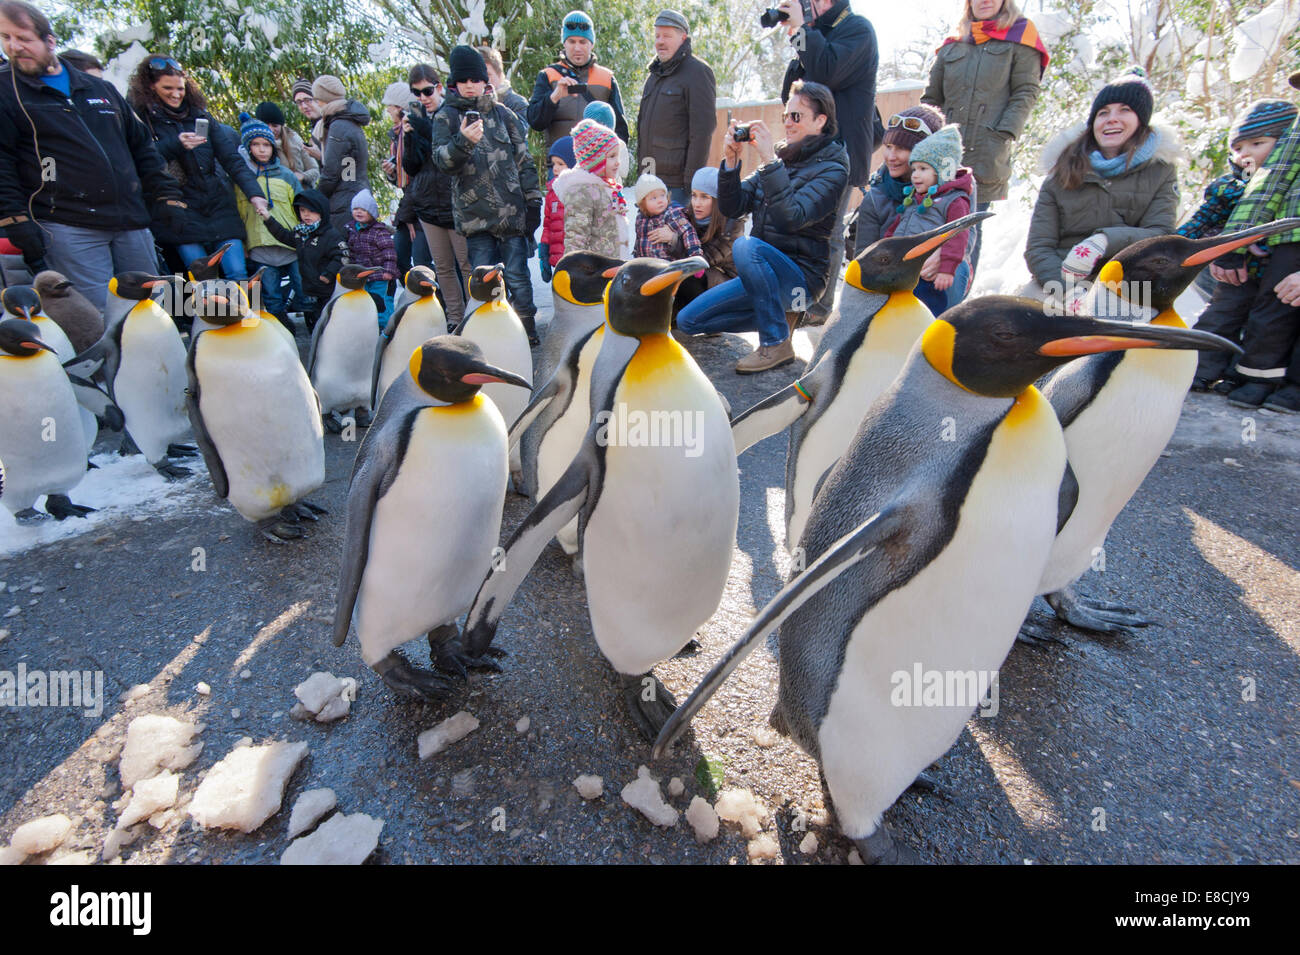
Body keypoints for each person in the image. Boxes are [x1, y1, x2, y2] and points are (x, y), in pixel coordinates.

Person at [0, 1, 185, 310]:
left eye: (23, 38)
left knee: (152, 310)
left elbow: (141, 147)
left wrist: (166, 194)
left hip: (129, 218)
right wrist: (14, 218)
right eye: (6, 38)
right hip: (67, 224)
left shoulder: (100, 89)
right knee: (101, 317)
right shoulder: (6, 92)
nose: (14, 47)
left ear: (50, 41)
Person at [676, 80, 849, 374]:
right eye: (786, 116)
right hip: (762, 273)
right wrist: (730, 163)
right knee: (688, 321)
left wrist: (770, 160)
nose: (788, 123)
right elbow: (734, 206)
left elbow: (791, 217)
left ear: (821, 121)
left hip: (802, 279)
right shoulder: (782, 159)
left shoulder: (833, 168)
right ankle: (782, 317)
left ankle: (776, 341)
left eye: (796, 116)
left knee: (746, 246)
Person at [1023, 71, 1180, 304]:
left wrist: (1104, 240)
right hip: (1059, 279)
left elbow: (1161, 235)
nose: (1111, 119)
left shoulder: (1160, 171)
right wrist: (1068, 290)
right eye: (1103, 113)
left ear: (1141, 120)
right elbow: (1039, 247)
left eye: (1124, 110)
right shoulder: (1062, 171)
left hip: (1126, 283)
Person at [922, 0, 1047, 272]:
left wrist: (1002, 133)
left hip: (985, 152)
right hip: (941, 153)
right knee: (930, 222)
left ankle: (958, 300)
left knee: (966, 232)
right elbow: (931, 98)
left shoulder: (1021, 38)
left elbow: (1026, 91)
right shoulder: (952, 43)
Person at [1194, 95, 1300, 410]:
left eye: (1256, 144)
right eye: (1238, 148)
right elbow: (1265, 191)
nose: (1245, 155)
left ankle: (1276, 380)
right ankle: (1243, 372)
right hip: (1284, 241)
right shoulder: (1235, 183)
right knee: (1266, 308)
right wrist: (1229, 246)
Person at [777, 0, 879, 325]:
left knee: (827, 233)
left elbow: (826, 72)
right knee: (804, 230)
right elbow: (792, 94)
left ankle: (819, 309)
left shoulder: (858, 29)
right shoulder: (817, 34)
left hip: (841, 152)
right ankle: (801, 300)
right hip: (811, 152)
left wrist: (801, 31)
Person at [431, 45, 542, 343]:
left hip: (512, 216)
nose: (470, 85)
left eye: (475, 78)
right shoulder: (446, 118)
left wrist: (533, 202)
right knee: (482, 279)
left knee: (518, 276)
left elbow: (524, 160)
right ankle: (491, 334)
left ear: (485, 80)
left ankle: (526, 330)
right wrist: (463, 142)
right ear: (455, 82)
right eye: (463, 79)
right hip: (475, 220)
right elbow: (442, 162)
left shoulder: (505, 115)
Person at [127, 54, 267, 280]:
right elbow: (137, 159)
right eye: (168, 88)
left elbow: (231, 159)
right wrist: (175, 145)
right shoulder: (139, 120)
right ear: (150, 87)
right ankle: (213, 315)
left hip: (217, 202)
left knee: (238, 272)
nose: (176, 94)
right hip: (178, 209)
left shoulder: (200, 115)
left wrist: (255, 194)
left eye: (180, 88)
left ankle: (244, 316)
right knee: (203, 277)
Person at [405, 63, 472, 327]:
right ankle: (455, 318)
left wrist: (424, 129)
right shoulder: (417, 118)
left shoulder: (453, 113)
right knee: (442, 267)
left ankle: (473, 315)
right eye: (417, 93)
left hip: (456, 204)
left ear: (440, 87)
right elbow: (411, 167)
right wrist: (411, 139)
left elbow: (455, 153)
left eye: (428, 91)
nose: (423, 97)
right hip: (427, 205)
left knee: (466, 266)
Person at [881, 124, 974, 315]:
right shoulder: (915, 198)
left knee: (926, 307)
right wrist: (884, 247)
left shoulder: (954, 201)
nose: (915, 175)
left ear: (942, 171)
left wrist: (947, 269)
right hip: (904, 267)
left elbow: (958, 235)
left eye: (923, 169)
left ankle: (926, 334)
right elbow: (898, 225)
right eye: (914, 169)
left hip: (928, 272)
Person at [636, 10, 716, 207]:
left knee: (672, 238)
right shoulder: (654, 75)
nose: (660, 41)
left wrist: (691, 185)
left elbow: (702, 132)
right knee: (647, 238)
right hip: (649, 181)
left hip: (677, 187)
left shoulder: (697, 72)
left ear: (683, 37)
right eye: (657, 36)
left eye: (667, 36)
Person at [234, 113, 304, 323]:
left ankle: (312, 329)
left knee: (304, 290)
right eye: (256, 144)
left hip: (291, 244)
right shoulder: (242, 181)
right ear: (248, 147)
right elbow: (238, 212)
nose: (262, 149)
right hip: (260, 246)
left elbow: (302, 206)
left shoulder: (286, 175)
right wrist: (245, 244)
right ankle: (283, 332)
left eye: (267, 144)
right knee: (272, 297)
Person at [526, 11, 630, 149]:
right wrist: (554, 97)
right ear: (564, 43)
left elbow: (620, 130)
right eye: (571, 41)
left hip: (596, 164)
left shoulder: (607, 78)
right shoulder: (548, 75)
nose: (577, 48)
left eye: (582, 42)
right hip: (560, 164)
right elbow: (535, 122)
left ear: (591, 44)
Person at [855, 105, 946, 252]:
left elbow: (963, 249)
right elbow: (863, 260)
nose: (891, 157)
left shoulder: (954, 190)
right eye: (889, 146)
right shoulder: (876, 197)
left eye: (902, 148)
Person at [257, 188, 349, 332]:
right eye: (302, 210)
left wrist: (328, 275)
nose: (306, 214)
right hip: (309, 291)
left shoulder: (330, 235)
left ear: (322, 212)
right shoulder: (301, 233)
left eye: (312, 211)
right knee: (315, 330)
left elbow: (342, 256)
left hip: (327, 292)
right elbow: (283, 236)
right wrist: (268, 218)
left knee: (329, 328)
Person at [378, 80, 432, 280]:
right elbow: (404, 178)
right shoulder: (395, 135)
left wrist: (409, 216)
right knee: (399, 260)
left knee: (421, 263)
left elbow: (418, 175)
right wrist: (392, 173)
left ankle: (437, 301)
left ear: (399, 108)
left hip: (420, 206)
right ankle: (418, 298)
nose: (388, 111)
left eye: (390, 107)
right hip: (408, 205)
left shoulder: (412, 131)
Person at [551, 119, 627, 261]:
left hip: (611, 266)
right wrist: (574, 272)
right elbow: (576, 237)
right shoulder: (581, 192)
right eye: (611, 156)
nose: (618, 161)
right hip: (594, 272)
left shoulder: (606, 187)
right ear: (594, 160)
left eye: (617, 155)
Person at [672, 165, 744, 312]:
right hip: (707, 278)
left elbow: (702, 260)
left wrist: (674, 240)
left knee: (689, 277)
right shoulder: (687, 217)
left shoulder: (732, 224)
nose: (697, 203)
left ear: (718, 200)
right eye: (694, 195)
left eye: (705, 197)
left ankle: (709, 319)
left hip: (726, 285)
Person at [310, 75, 373, 233]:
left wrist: (316, 199)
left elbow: (332, 172)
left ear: (323, 99)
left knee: (345, 253)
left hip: (344, 202)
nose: (315, 104)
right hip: (353, 196)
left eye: (316, 99)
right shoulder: (349, 122)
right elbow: (347, 166)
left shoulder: (339, 126)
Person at [346, 189, 398, 327]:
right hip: (362, 276)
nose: (358, 212)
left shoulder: (379, 232)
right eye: (355, 209)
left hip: (380, 276)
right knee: (365, 303)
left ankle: (386, 328)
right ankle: (369, 327)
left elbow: (389, 253)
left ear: (372, 212)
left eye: (363, 209)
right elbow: (352, 253)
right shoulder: (352, 230)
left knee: (382, 302)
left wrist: (388, 271)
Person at [633, 172, 701, 261]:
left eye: (662, 195)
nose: (660, 201)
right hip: (647, 266)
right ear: (642, 203)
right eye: (654, 198)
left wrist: (695, 256)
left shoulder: (672, 213)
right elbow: (639, 239)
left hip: (667, 265)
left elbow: (688, 231)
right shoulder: (640, 218)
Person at [256, 100, 319, 187]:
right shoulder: (257, 148)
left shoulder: (294, 139)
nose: (271, 130)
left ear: (281, 125)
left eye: (275, 125)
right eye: (266, 126)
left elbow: (315, 170)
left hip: (304, 194)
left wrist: (303, 176)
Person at [539, 135, 575, 282]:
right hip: (557, 259)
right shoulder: (552, 192)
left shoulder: (579, 191)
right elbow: (548, 224)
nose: (555, 168)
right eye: (553, 164)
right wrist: (544, 251)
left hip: (575, 259)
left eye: (560, 164)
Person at [479, 45, 528, 126]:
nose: (482, 81)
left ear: (499, 75)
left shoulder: (517, 103)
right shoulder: (467, 100)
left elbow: (518, 135)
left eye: (487, 75)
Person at [291, 79, 324, 165]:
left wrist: (321, 157)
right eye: (299, 102)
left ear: (317, 99)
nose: (304, 106)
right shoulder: (315, 127)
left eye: (307, 100)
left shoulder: (332, 124)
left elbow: (349, 163)